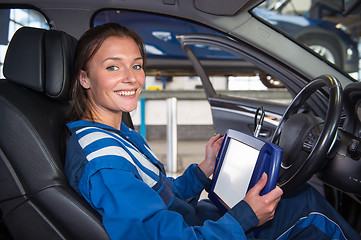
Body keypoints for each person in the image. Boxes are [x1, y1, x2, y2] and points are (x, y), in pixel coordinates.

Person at [64, 23, 360, 240]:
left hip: (202, 222)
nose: (131, 78)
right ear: (85, 78)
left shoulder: (114, 134)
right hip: (204, 232)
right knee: (306, 205)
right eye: (113, 68)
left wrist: (201, 172)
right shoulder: (104, 161)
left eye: (137, 65)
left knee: (292, 196)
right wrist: (246, 216)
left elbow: (160, 196)